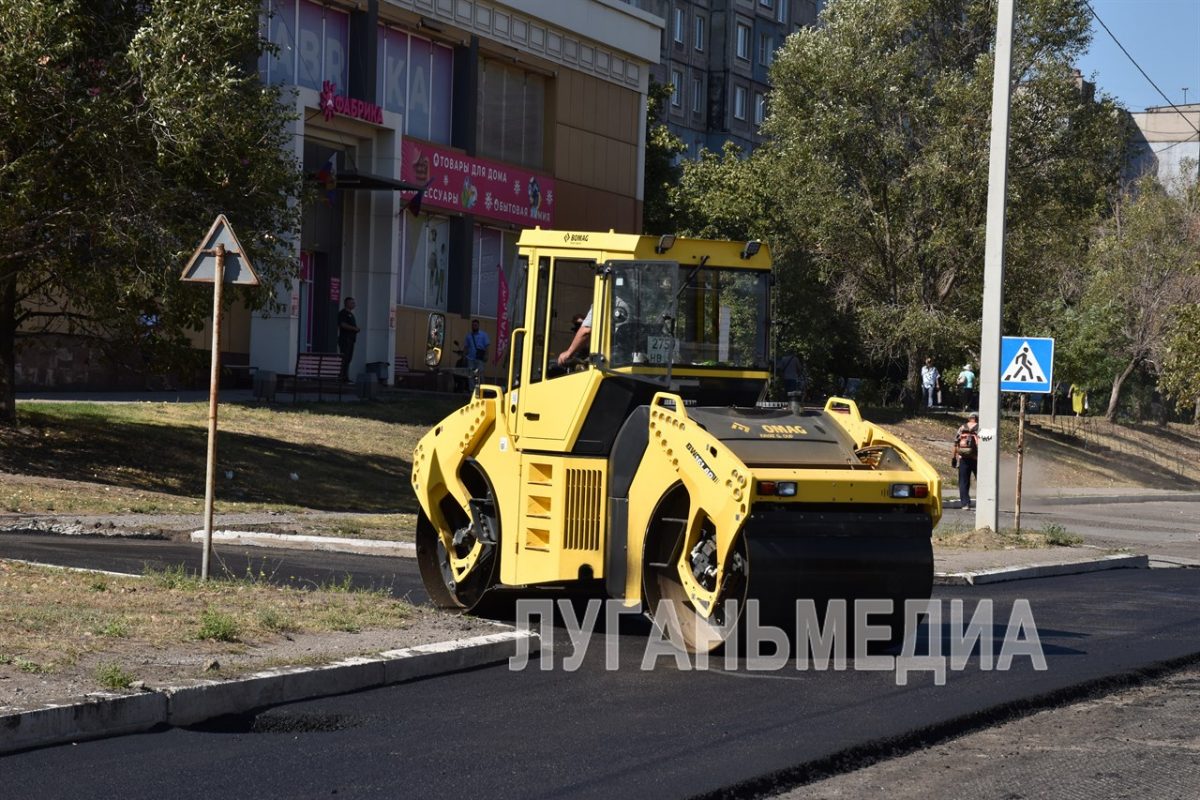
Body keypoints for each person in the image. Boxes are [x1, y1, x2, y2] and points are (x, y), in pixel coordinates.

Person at [951, 412, 981, 509]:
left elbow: (956, 443)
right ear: (977, 419)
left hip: (963, 458)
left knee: (963, 482)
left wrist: (954, 457)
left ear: (969, 419)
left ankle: (965, 504)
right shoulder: (980, 428)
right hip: (976, 459)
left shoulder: (962, 428)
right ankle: (983, 502)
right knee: (981, 481)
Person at [337, 296, 360, 382]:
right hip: (345, 339)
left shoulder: (351, 314)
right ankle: (342, 377)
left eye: (354, 303)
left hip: (351, 339)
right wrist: (354, 329)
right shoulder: (343, 313)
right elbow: (342, 324)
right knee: (345, 358)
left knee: (349, 359)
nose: (354, 304)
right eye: (352, 303)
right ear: (347, 303)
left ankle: (345, 377)